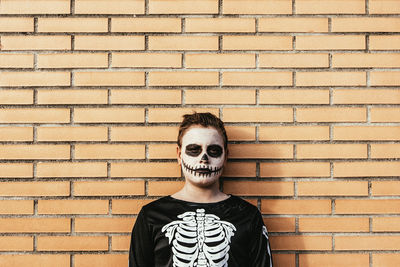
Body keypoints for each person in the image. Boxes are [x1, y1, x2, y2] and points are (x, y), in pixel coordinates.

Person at [129, 112, 273, 267]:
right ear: (179, 155)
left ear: (225, 157)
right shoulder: (151, 216)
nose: (204, 158)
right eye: (194, 149)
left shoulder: (247, 216)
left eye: (213, 151)